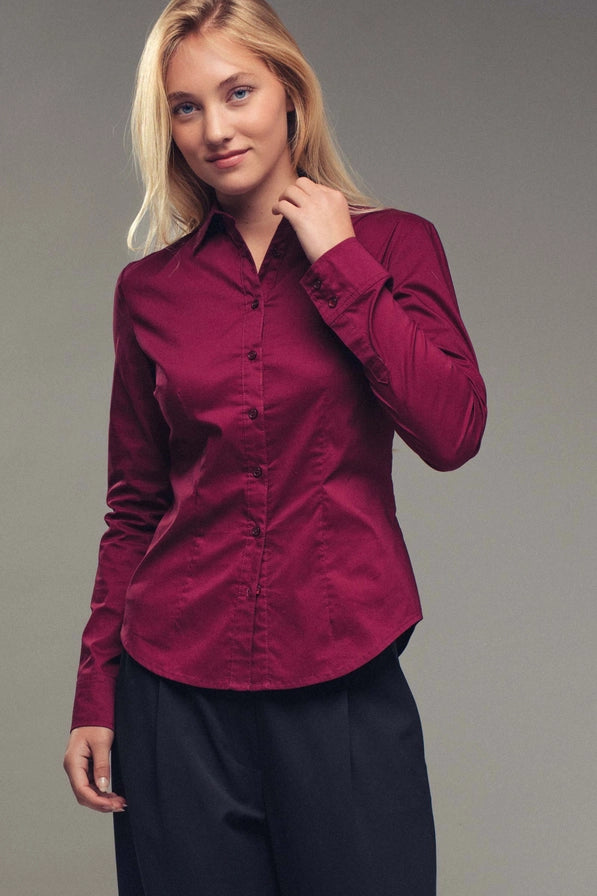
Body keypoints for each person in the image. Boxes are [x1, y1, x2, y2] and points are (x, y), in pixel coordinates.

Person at [63, 1, 487, 894]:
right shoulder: (150, 292)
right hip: (173, 699)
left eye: (237, 91)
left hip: (341, 681)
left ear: (290, 94)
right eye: (185, 107)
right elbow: (135, 506)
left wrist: (340, 261)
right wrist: (96, 694)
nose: (214, 129)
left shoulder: (394, 246)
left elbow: (451, 432)